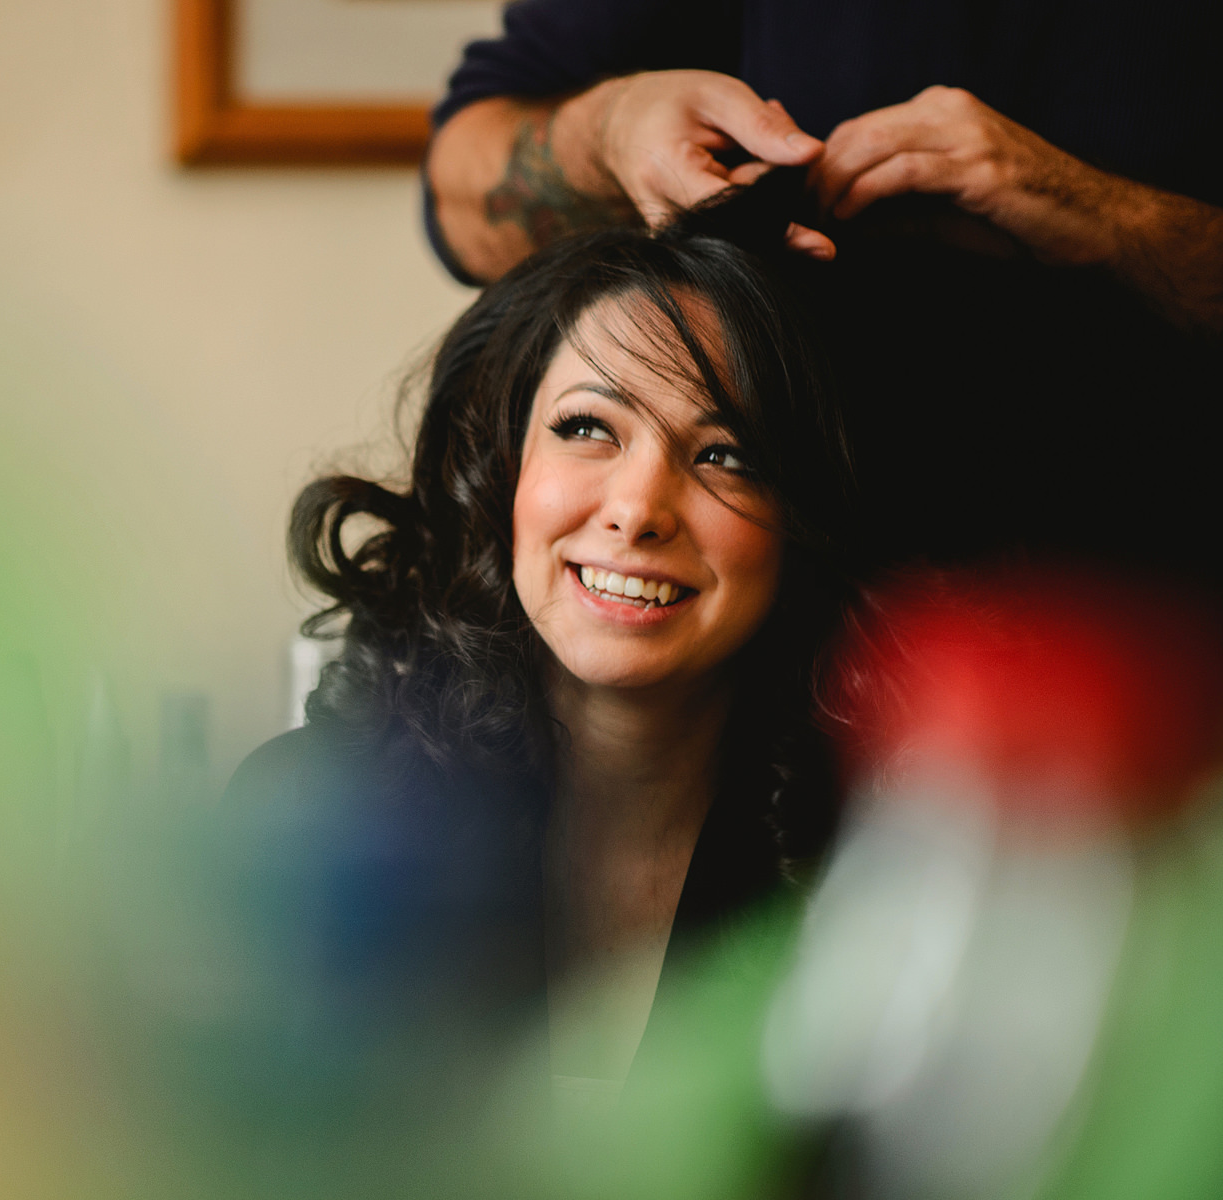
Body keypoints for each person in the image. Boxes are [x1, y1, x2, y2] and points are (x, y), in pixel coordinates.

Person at [224, 213, 857, 1101]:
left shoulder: (885, 875)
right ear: (500, 474)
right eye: (588, 428)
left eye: (725, 454)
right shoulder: (309, 819)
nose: (639, 509)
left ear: (803, 525)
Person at [421, 0, 1223, 582]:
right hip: (791, 640)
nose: (633, 512)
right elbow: (462, 204)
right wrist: (606, 135)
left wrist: (1117, 222)